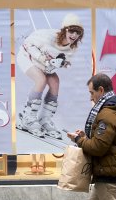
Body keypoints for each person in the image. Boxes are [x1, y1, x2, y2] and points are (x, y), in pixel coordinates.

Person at [16, 13, 84, 173]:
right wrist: (43, 59)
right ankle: (28, 118)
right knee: (41, 80)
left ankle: (44, 118)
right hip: (27, 57)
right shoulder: (48, 36)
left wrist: (61, 63)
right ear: (65, 30)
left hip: (46, 65)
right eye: (71, 31)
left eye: (77, 32)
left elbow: (66, 62)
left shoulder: (73, 47)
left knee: (55, 82)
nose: (73, 35)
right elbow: (27, 45)